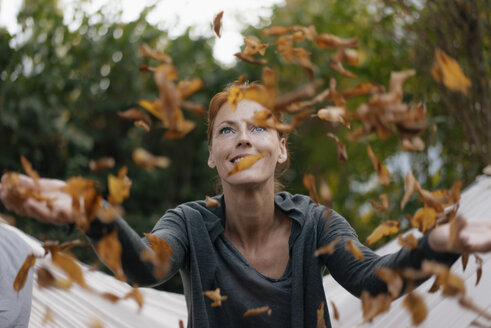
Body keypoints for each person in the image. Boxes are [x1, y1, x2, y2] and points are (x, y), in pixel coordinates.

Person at [1, 84, 491, 328]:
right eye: (227, 131)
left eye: (259, 127)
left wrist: (440, 241)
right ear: (213, 154)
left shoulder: (318, 224)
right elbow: (145, 265)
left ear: (280, 149)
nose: (242, 139)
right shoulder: (189, 222)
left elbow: (374, 282)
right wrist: (89, 209)